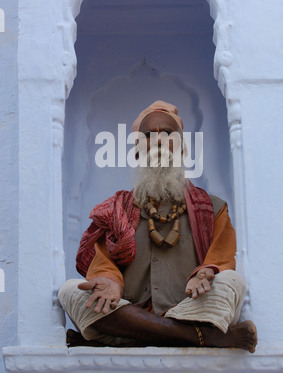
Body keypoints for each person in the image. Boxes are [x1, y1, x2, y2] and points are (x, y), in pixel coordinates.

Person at [58, 100, 257, 352]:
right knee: (70, 291)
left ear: (182, 148)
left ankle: (136, 335)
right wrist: (109, 280)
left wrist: (206, 272)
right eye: (149, 135)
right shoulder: (116, 208)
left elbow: (223, 257)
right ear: (138, 150)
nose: (159, 140)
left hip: (188, 309)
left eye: (167, 133)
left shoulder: (213, 207)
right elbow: (101, 262)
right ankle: (200, 337)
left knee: (231, 281)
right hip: (131, 308)